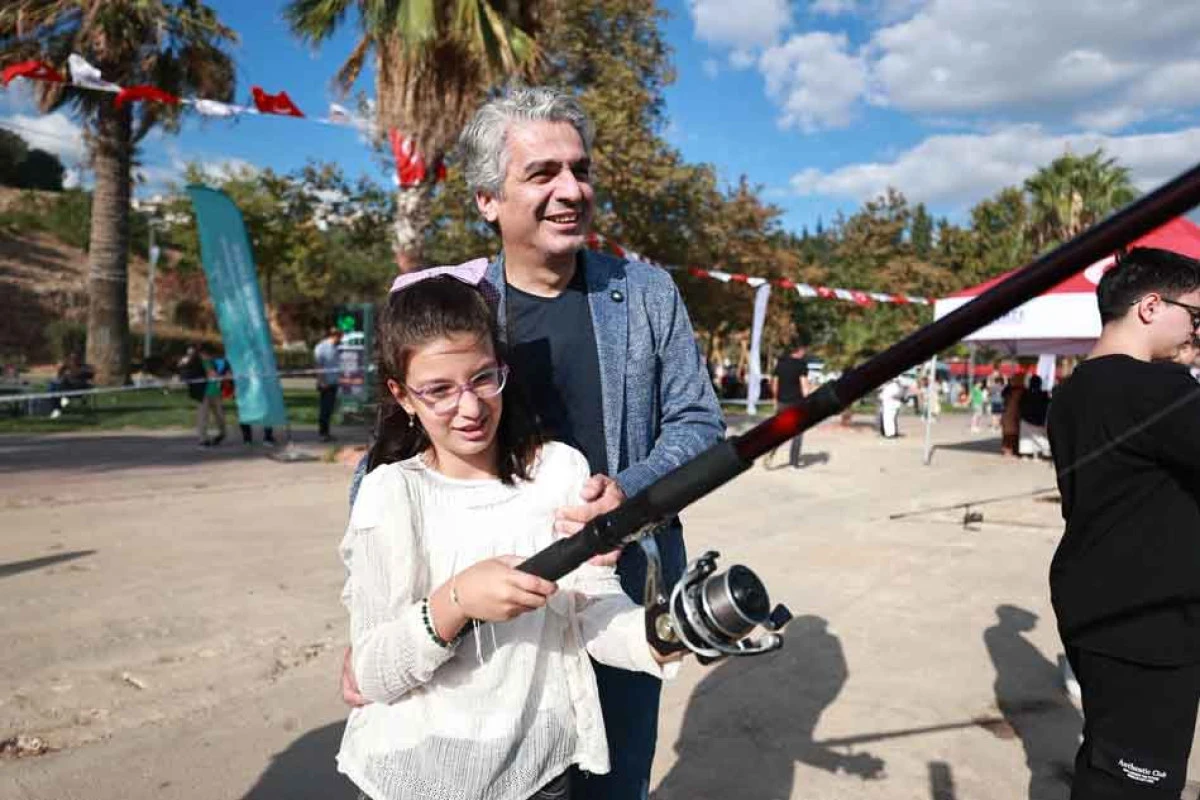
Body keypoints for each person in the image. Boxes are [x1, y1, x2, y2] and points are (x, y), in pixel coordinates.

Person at [342, 86, 724, 800]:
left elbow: (700, 424)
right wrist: (384, 633)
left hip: (614, 582)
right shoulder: (450, 297)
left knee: (614, 776)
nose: (571, 190)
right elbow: (389, 447)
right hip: (481, 588)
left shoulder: (644, 293)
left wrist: (627, 495)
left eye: (579, 170)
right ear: (488, 199)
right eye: (542, 173)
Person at [339, 263, 682, 800]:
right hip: (415, 775)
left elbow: (591, 611)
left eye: (482, 378)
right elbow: (373, 673)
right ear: (402, 396)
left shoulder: (561, 471)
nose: (471, 408)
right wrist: (455, 603)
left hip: (540, 775)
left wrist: (666, 634)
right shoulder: (389, 494)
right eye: (439, 391)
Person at [1047, 247, 1200, 800]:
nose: (1197, 332)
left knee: (1109, 753)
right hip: (1147, 619)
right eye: (1196, 316)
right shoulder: (1159, 392)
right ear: (1152, 306)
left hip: (1094, 601)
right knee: (1138, 780)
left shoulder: (1070, 394)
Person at [768, 339, 813, 467]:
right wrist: (808, 401)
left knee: (779, 430)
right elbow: (804, 385)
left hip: (782, 402)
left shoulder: (781, 363)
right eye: (803, 350)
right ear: (800, 351)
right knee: (798, 433)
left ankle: (772, 450)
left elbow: (775, 384)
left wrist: (775, 400)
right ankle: (794, 462)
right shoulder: (801, 364)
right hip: (797, 403)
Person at [314, 327, 342, 442]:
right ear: (333, 335)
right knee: (324, 409)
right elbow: (318, 366)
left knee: (329, 409)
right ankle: (322, 433)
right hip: (325, 383)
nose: (340, 339)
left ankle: (327, 432)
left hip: (334, 382)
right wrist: (322, 381)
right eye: (339, 336)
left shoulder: (336, 348)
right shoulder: (321, 348)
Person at [196, 344, 225, 446]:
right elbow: (210, 374)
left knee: (220, 416)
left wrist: (220, 374)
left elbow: (219, 373)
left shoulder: (214, 363)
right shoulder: (198, 364)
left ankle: (222, 434)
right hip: (203, 394)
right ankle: (203, 439)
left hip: (216, 393)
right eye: (203, 354)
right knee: (203, 416)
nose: (205, 356)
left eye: (207, 354)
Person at [1017, 374, 1051, 458]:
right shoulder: (1044, 394)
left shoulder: (1025, 393)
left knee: (1026, 439)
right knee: (1040, 437)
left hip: (1026, 418)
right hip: (1039, 419)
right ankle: (1041, 452)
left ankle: (1026, 454)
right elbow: (1046, 406)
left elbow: (1020, 404)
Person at [999, 373, 1025, 456]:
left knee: (1009, 433)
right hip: (1014, 414)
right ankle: (1011, 449)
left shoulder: (1009, 389)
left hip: (1009, 413)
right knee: (1013, 433)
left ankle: (1008, 449)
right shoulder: (1021, 390)